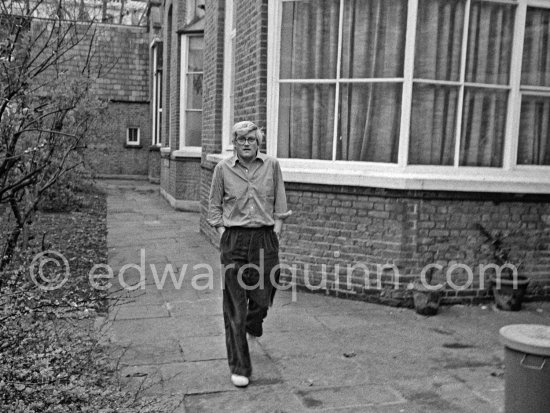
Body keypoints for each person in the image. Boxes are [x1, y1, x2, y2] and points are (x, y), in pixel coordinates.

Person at [207, 121, 291, 388]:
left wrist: (276, 231)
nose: (246, 143)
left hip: (266, 237)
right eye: (241, 139)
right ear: (234, 142)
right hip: (234, 239)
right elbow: (213, 207)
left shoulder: (272, 165)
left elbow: (280, 202)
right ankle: (240, 366)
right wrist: (223, 233)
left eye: (251, 139)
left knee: (266, 290)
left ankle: (253, 323)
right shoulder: (222, 169)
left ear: (258, 143)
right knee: (235, 307)